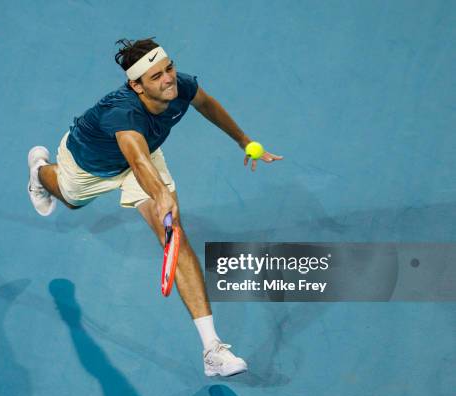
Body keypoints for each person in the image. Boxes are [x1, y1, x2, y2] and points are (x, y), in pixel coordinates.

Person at [27, 38, 283, 376]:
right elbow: (135, 158)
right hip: (88, 166)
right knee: (70, 200)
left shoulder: (180, 85)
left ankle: (212, 351)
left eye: (169, 68)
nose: (168, 79)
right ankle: (39, 172)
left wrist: (244, 140)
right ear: (136, 85)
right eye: (156, 76)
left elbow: (207, 105)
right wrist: (160, 193)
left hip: (143, 160)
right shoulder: (123, 112)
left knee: (175, 239)